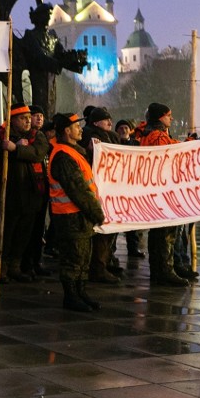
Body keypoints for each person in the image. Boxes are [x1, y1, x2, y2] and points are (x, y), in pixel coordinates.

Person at [47, 113, 104, 311]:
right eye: (76, 126)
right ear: (66, 131)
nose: (80, 129)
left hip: (79, 216)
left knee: (83, 258)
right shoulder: (63, 156)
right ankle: (71, 296)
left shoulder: (73, 152)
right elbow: (78, 190)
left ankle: (80, 293)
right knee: (73, 259)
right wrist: (97, 213)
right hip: (70, 216)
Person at [0, 103, 49, 282]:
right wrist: (7, 146)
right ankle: (2, 267)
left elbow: (37, 152)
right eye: (23, 118)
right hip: (9, 193)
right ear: (12, 120)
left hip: (30, 193)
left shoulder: (37, 136)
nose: (28, 121)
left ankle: (16, 265)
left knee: (24, 234)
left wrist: (16, 149)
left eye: (28, 118)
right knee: (6, 233)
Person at [137, 103, 191, 286]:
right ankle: (165, 271)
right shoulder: (157, 136)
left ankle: (159, 270)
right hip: (163, 191)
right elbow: (167, 157)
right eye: (169, 115)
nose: (172, 118)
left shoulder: (148, 134)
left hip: (155, 190)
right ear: (161, 117)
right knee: (165, 233)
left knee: (158, 233)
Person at [79, 107, 123, 284]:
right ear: (96, 122)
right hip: (99, 189)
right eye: (106, 120)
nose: (110, 124)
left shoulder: (111, 136)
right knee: (101, 230)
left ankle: (105, 261)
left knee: (110, 229)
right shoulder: (88, 136)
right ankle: (97, 267)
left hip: (112, 188)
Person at [21, 104, 52, 277]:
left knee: (39, 228)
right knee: (28, 229)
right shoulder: (25, 137)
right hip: (28, 189)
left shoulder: (40, 137)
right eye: (35, 115)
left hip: (41, 189)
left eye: (41, 115)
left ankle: (35, 261)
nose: (39, 118)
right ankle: (27, 263)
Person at [114, 119, 145, 258]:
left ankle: (133, 248)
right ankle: (111, 251)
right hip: (116, 187)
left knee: (132, 221)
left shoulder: (136, 145)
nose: (123, 130)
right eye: (120, 128)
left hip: (132, 187)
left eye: (126, 127)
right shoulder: (112, 145)